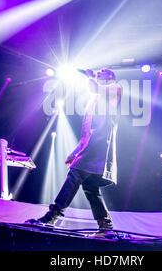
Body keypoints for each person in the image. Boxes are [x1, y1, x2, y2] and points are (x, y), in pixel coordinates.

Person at [28, 68, 122, 237]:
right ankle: (106, 225)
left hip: (101, 147)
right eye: (97, 73)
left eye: (102, 72)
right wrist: (75, 152)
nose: (98, 73)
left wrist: (89, 76)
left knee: (75, 174)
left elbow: (96, 89)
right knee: (91, 187)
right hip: (92, 146)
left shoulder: (115, 87)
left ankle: (52, 216)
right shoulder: (94, 99)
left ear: (110, 76)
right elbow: (87, 132)